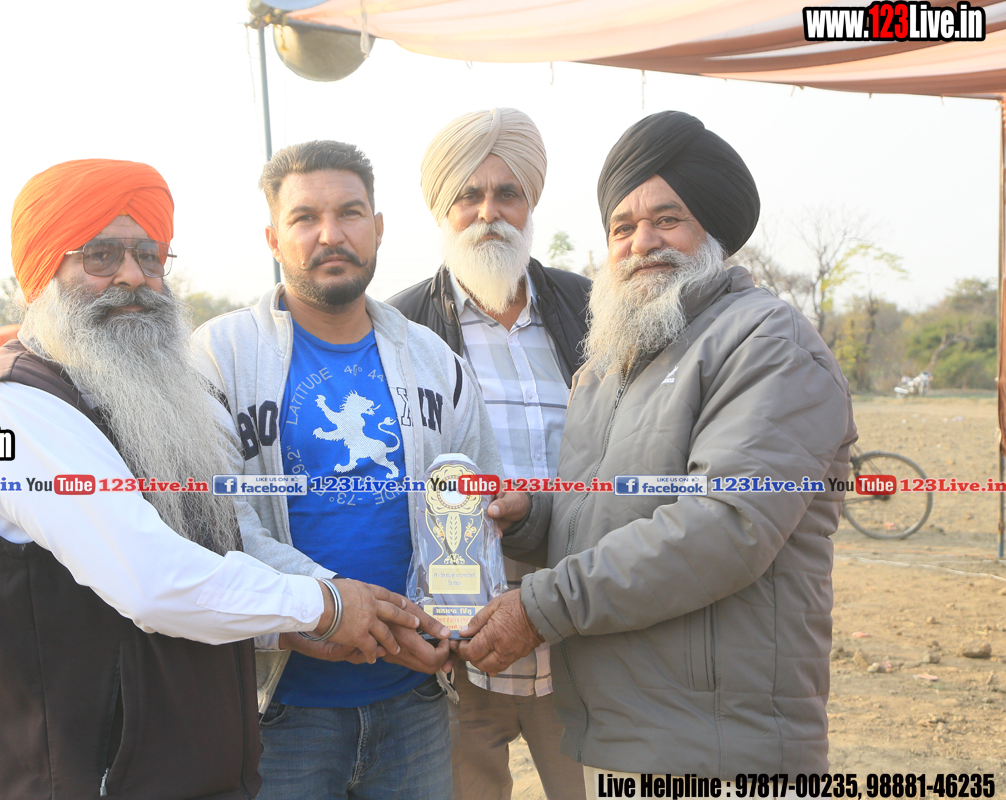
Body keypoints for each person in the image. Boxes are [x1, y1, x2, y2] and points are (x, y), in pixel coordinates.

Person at [0, 158, 434, 800]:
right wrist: (322, 605)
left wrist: (286, 624)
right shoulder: (14, 409)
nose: (131, 276)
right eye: (100, 256)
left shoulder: (155, 396)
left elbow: (216, 551)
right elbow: (152, 581)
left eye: (149, 256)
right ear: (41, 272)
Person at [457, 111, 858, 786]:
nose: (642, 243)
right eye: (622, 228)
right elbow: (608, 509)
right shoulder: (609, 366)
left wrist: (540, 605)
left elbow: (726, 526)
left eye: (667, 220)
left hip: (721, 744)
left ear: (713, 230)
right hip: (626, 733)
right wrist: (531, 518)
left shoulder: (767, 343)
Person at [193, 140, 502, 800]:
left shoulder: (435, 362)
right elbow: (213, 520)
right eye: (305, 218)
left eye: (350, 213)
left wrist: (448, 623)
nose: (330, 235)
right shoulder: (221, 355)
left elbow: (472, 508)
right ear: (274, 238)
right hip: (281, 713)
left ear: (379, 227)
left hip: (414, 701)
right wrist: (327, 603)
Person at [388, 108, 587, 800]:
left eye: (508, 194)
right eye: (467, 196)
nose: (488, 213)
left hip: (580, 628)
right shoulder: (400, 326)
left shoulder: (590, 310)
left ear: (531, 204)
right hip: (458, 644)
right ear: (441, 211)